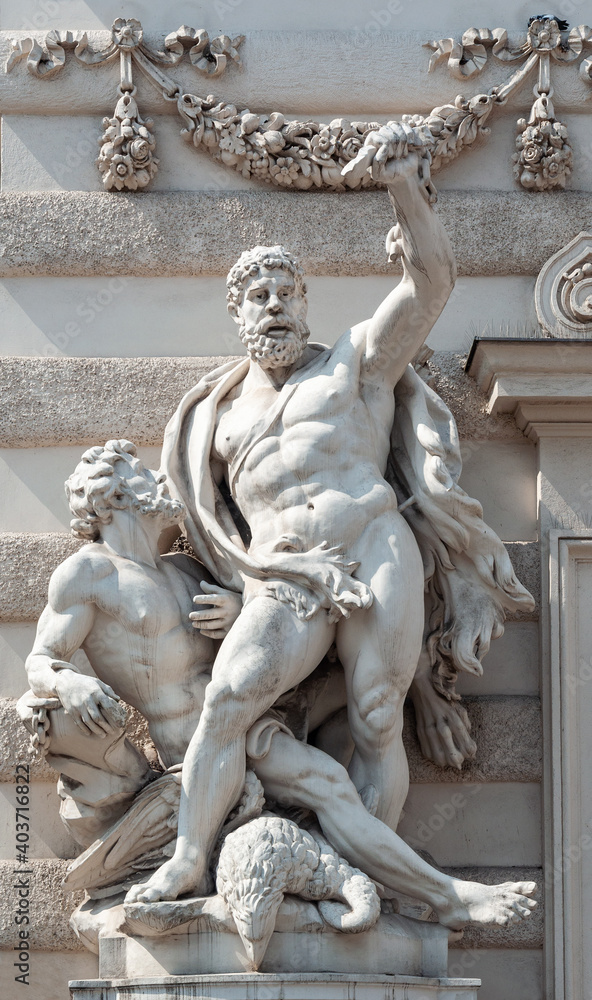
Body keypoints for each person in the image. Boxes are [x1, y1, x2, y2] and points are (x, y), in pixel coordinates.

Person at [131, 126, 533, 904]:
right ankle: (187, 857)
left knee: (378, 714)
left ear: (306, 304)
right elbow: (201, 523)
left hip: (374, 541)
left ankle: (356, 883)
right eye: (259, 295)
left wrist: (406, 190)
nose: (275, 305)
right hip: (285, 574)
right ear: (237, 312)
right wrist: (238, 580)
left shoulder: (354, 364)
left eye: (288, 293)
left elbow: (430, 285)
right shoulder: (212, 418)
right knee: (227, 702)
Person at [20, 439, 537, 933]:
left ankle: (423, 892)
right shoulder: (87, 574)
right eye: (140, 472)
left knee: (355, 741)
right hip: (196, 738)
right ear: (111, 495)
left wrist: (237, 608)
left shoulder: (182, 569)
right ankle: (447, 896)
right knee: (329, 785)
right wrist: (69, 686)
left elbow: (253, 630)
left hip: (255, 719)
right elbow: (42, 659)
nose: (158, 477)